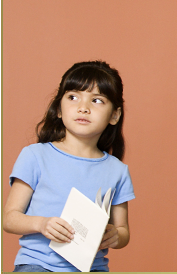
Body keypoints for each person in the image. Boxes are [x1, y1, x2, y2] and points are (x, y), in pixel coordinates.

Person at [2, 61, 135, 272]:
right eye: (73, 97)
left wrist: (115, 236)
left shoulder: (117, 170)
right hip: (38, 265)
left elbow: (123, 231)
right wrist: (41, 224)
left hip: (93, 268)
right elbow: (9, 219)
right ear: (58, 109)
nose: (83, 107)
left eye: (97, 100)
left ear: (114, 115)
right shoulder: (36, 156)